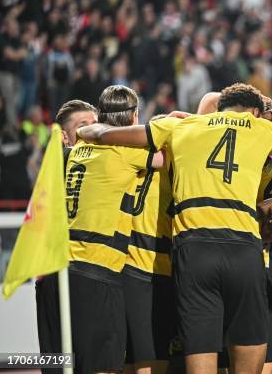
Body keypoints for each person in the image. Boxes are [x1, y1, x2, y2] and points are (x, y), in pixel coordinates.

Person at [77, 83, 272, 374]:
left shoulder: (177, 131)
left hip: (188, 253)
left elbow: (105, 134)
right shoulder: (258, 131)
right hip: (235, 248)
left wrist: (88, 131)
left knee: (150, 357)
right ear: (252, 112)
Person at [66, 85, 162, 373]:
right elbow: (168, 159)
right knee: (104, 364)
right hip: (98, 268)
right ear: (134, 117)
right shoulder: (123, 150)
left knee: (72, 362)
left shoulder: (78, 148)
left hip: (67, 266)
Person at [35, 99, 97, 371]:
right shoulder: (60, 160)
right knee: (57, 361)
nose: (92, 132)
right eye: (83, 127)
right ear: (63, 136)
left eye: (96, 126)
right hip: (56, 274)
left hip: (86, 274)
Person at [121, 114, 174, 374]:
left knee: (130, 355)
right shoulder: (172, 165)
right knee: (152, 358)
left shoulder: (128, 158)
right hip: (154, 268)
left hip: (124, 265)